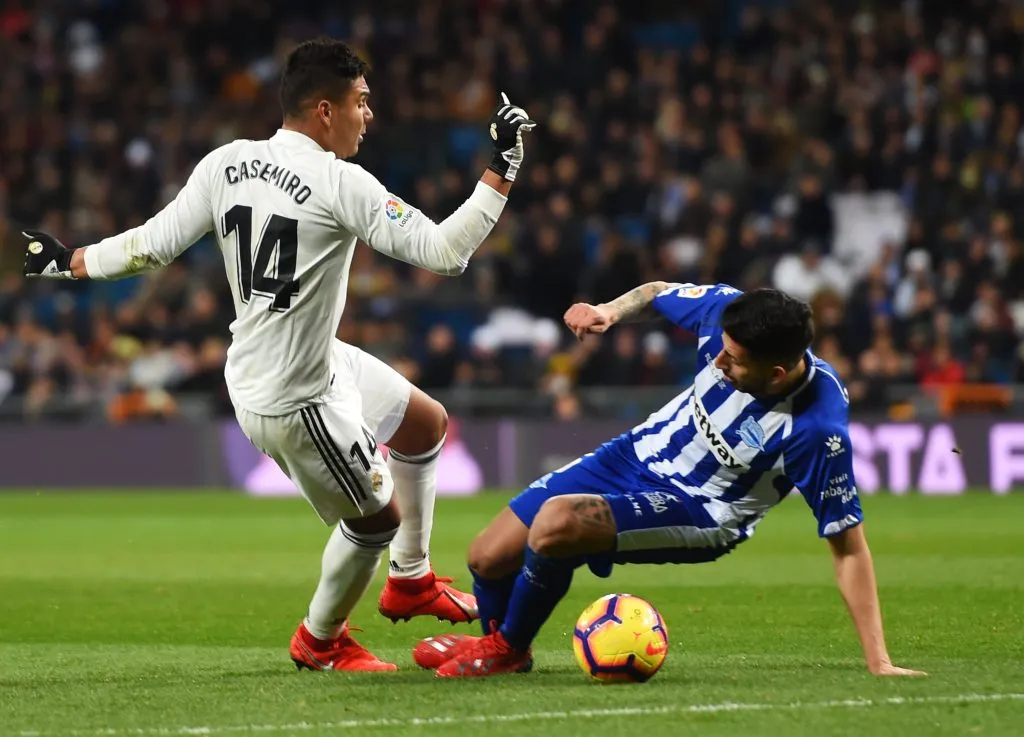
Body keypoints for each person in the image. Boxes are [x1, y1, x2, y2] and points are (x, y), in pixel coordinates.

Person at [21, 38, 535, 672]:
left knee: (425, 423)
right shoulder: (337, 181)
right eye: (361, 102)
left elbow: (152, 246)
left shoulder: (226, 163)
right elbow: (444, 253)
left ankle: (412, 578)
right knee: (375, 522)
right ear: (325, 110)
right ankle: (320, 641)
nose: (368, 115)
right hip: (295, 397)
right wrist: (503, 167)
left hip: (299, 359)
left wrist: (71, 262)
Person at [414, 283, 926, 678]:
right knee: (485, 555)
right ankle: (502, 645)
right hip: (632, 455)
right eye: (722, 348)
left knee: (554, 526)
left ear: (776, 373)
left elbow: (849, 549)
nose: (718, 360)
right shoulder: (728, 312)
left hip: (702, 507)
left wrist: (878, 660)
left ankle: (506, 650)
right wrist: (609, 312)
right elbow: (658, 292)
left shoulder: (816, 431)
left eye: (734, 361)